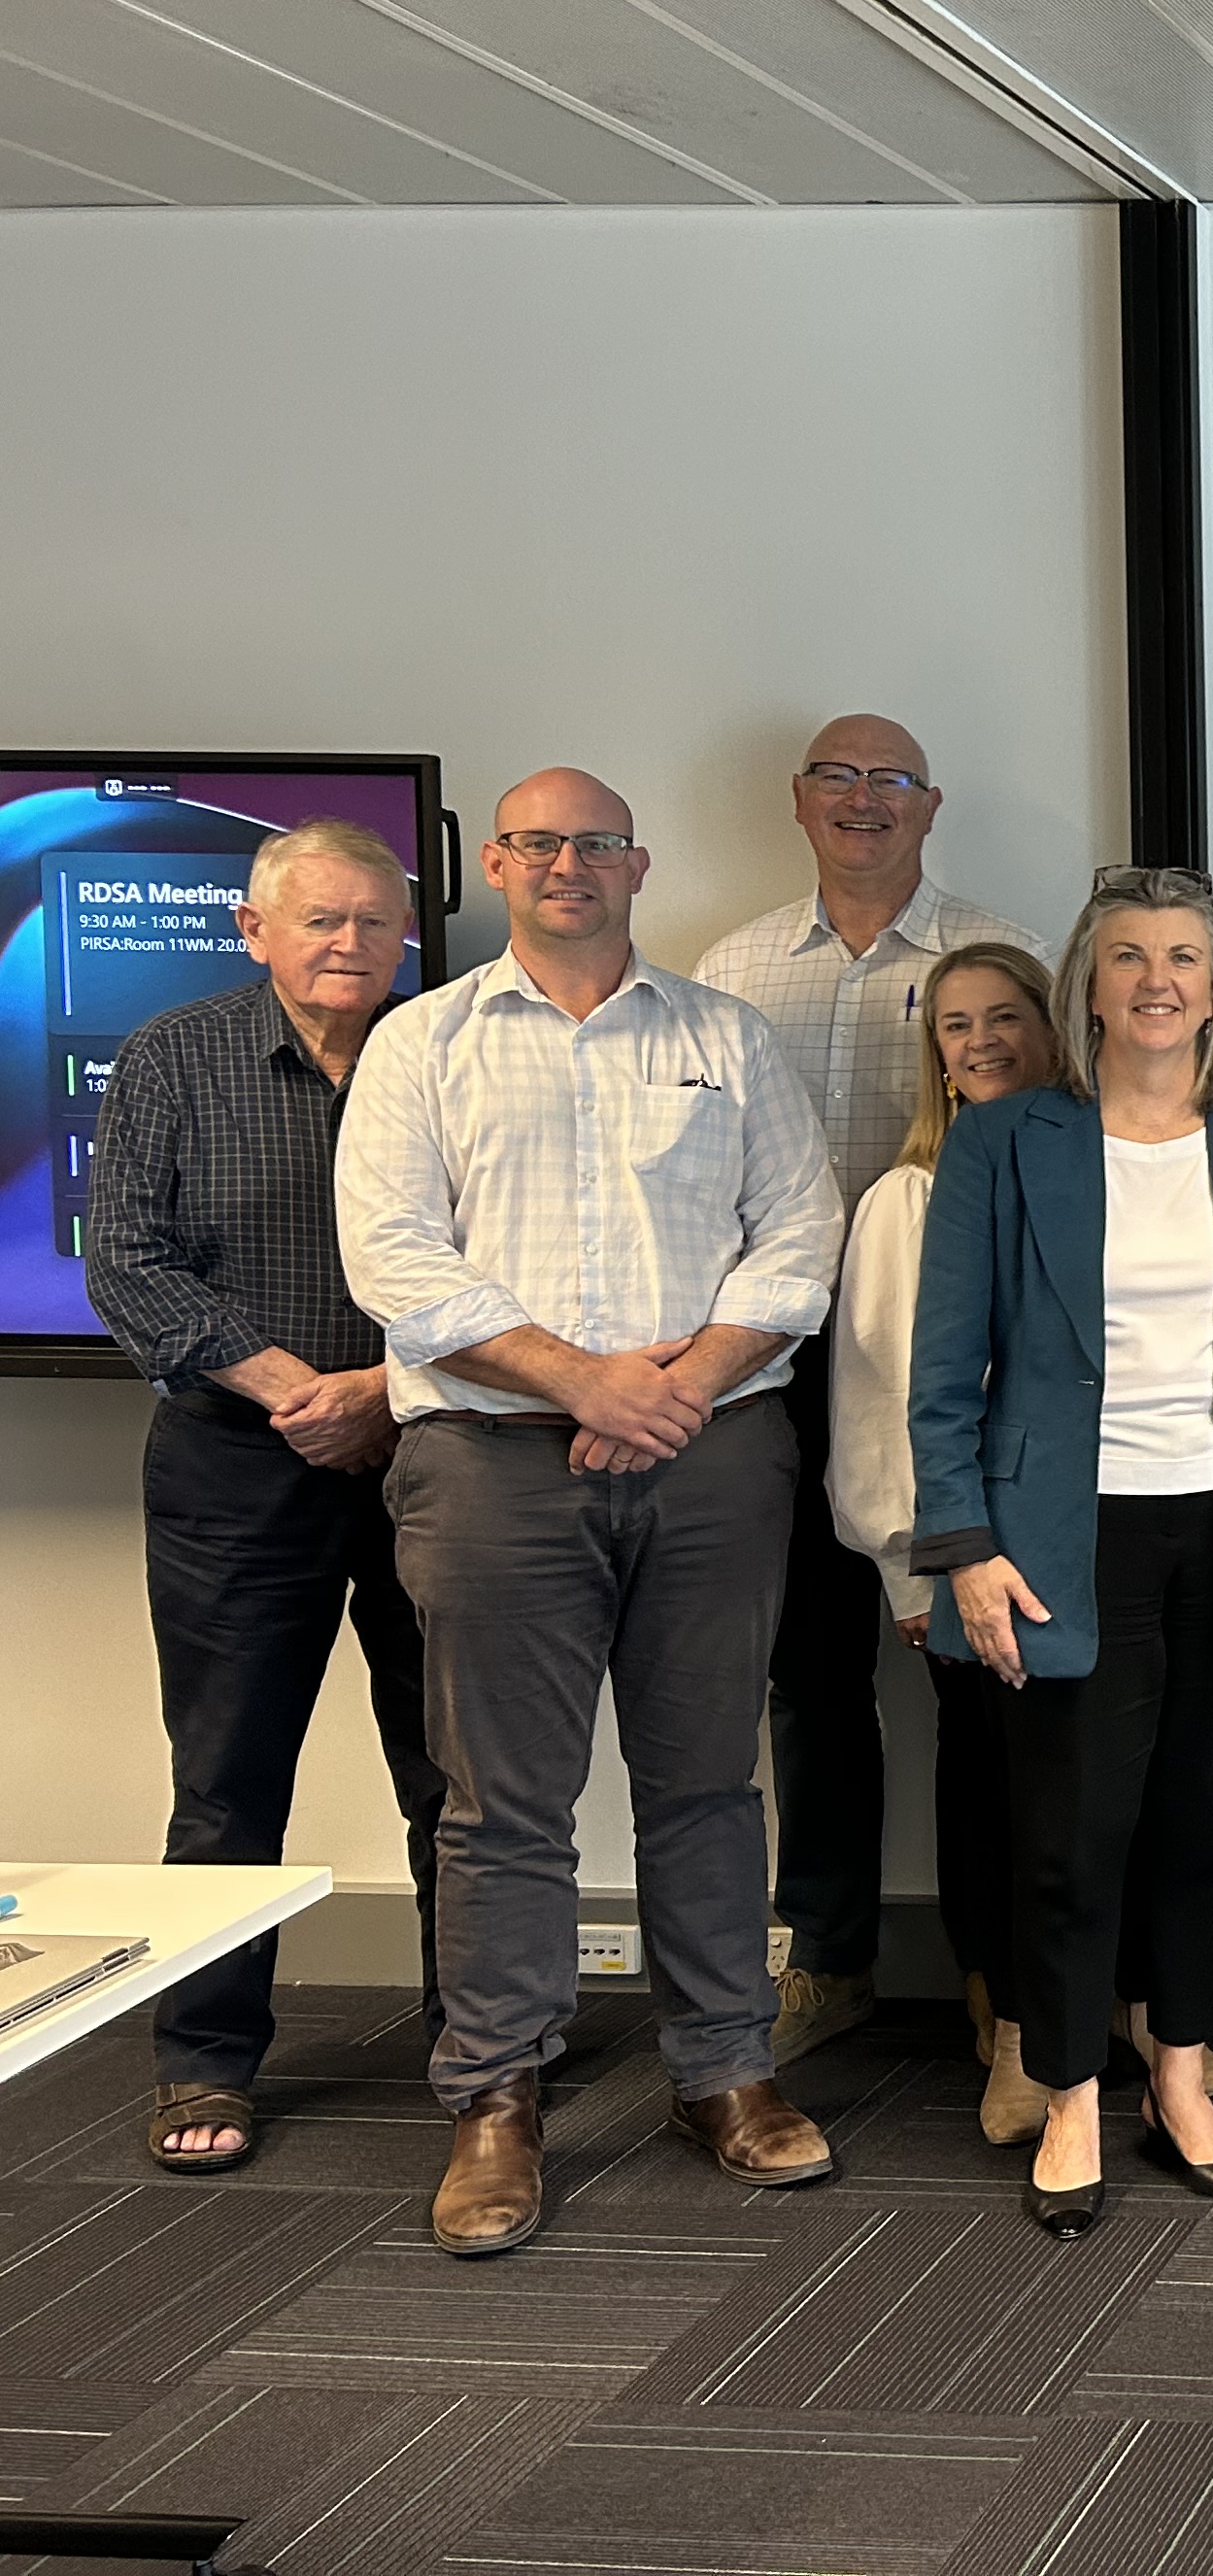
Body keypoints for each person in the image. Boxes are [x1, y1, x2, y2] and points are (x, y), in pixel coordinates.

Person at [335, 768, 846, 2257]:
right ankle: (496, 2097)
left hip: (712, 1456)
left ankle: (724, 2071)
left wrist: (677, 1386)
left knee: (705, 1787)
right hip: (494, 1469)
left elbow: (799, 1236)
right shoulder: (422, 1045)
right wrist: (582, 1382)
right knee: (503, 1805)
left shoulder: (723, 1037)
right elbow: (398, 1262)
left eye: (598, 843)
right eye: (542, 842)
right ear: (496, 864)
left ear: (639, 866)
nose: (571, 863)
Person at [906, 868, 1213, 2237]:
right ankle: (1070, 2093)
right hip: (1059, 1536)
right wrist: (965, 1545)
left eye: (1185, 957)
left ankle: (1181, 2078)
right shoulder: (1007, 1141)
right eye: (1127, 957)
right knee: (1072, 1830)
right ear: (1086, 988)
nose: (1158, 980)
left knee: (1207, 1824)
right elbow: (943, 1373)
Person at [84, 819, 449, 2175]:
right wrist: (306, 1389)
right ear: (256, 931)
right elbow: (127, 1264)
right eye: (320, 921)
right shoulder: (176, 1057)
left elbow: (515, 1261)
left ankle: (474, 2039)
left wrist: (381, 1392)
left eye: (374, 921)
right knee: (230, 1781)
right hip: (236, 1463)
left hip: (431, 1447)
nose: (351, 945)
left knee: (456, 1771)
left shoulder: (453, 1049)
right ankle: (208, 2058)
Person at [692, 715, 1040, 2067]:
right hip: (771, 1362)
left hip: (945, 1367)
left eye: (887, 779)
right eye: (836, 777)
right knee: (809, 1675)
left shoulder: (992, 954)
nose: (861, 801)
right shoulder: (729, 969)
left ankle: (993, 1974)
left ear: (930, 804)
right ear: (797, 800)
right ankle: (828, 1951)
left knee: (980, 1689)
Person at [821, 939, 1060, 2146]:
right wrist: (901, 1559)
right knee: (993, 1784)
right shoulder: (906, 1200)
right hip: (959, 1550)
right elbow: (874, 1394)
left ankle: (1095, 2003)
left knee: (1091, 1786)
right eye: (957, 1026)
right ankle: (1008, 2022)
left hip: (1087, 1537)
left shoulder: (1104, 1169)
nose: (982, 1042)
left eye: (1006, 1017)